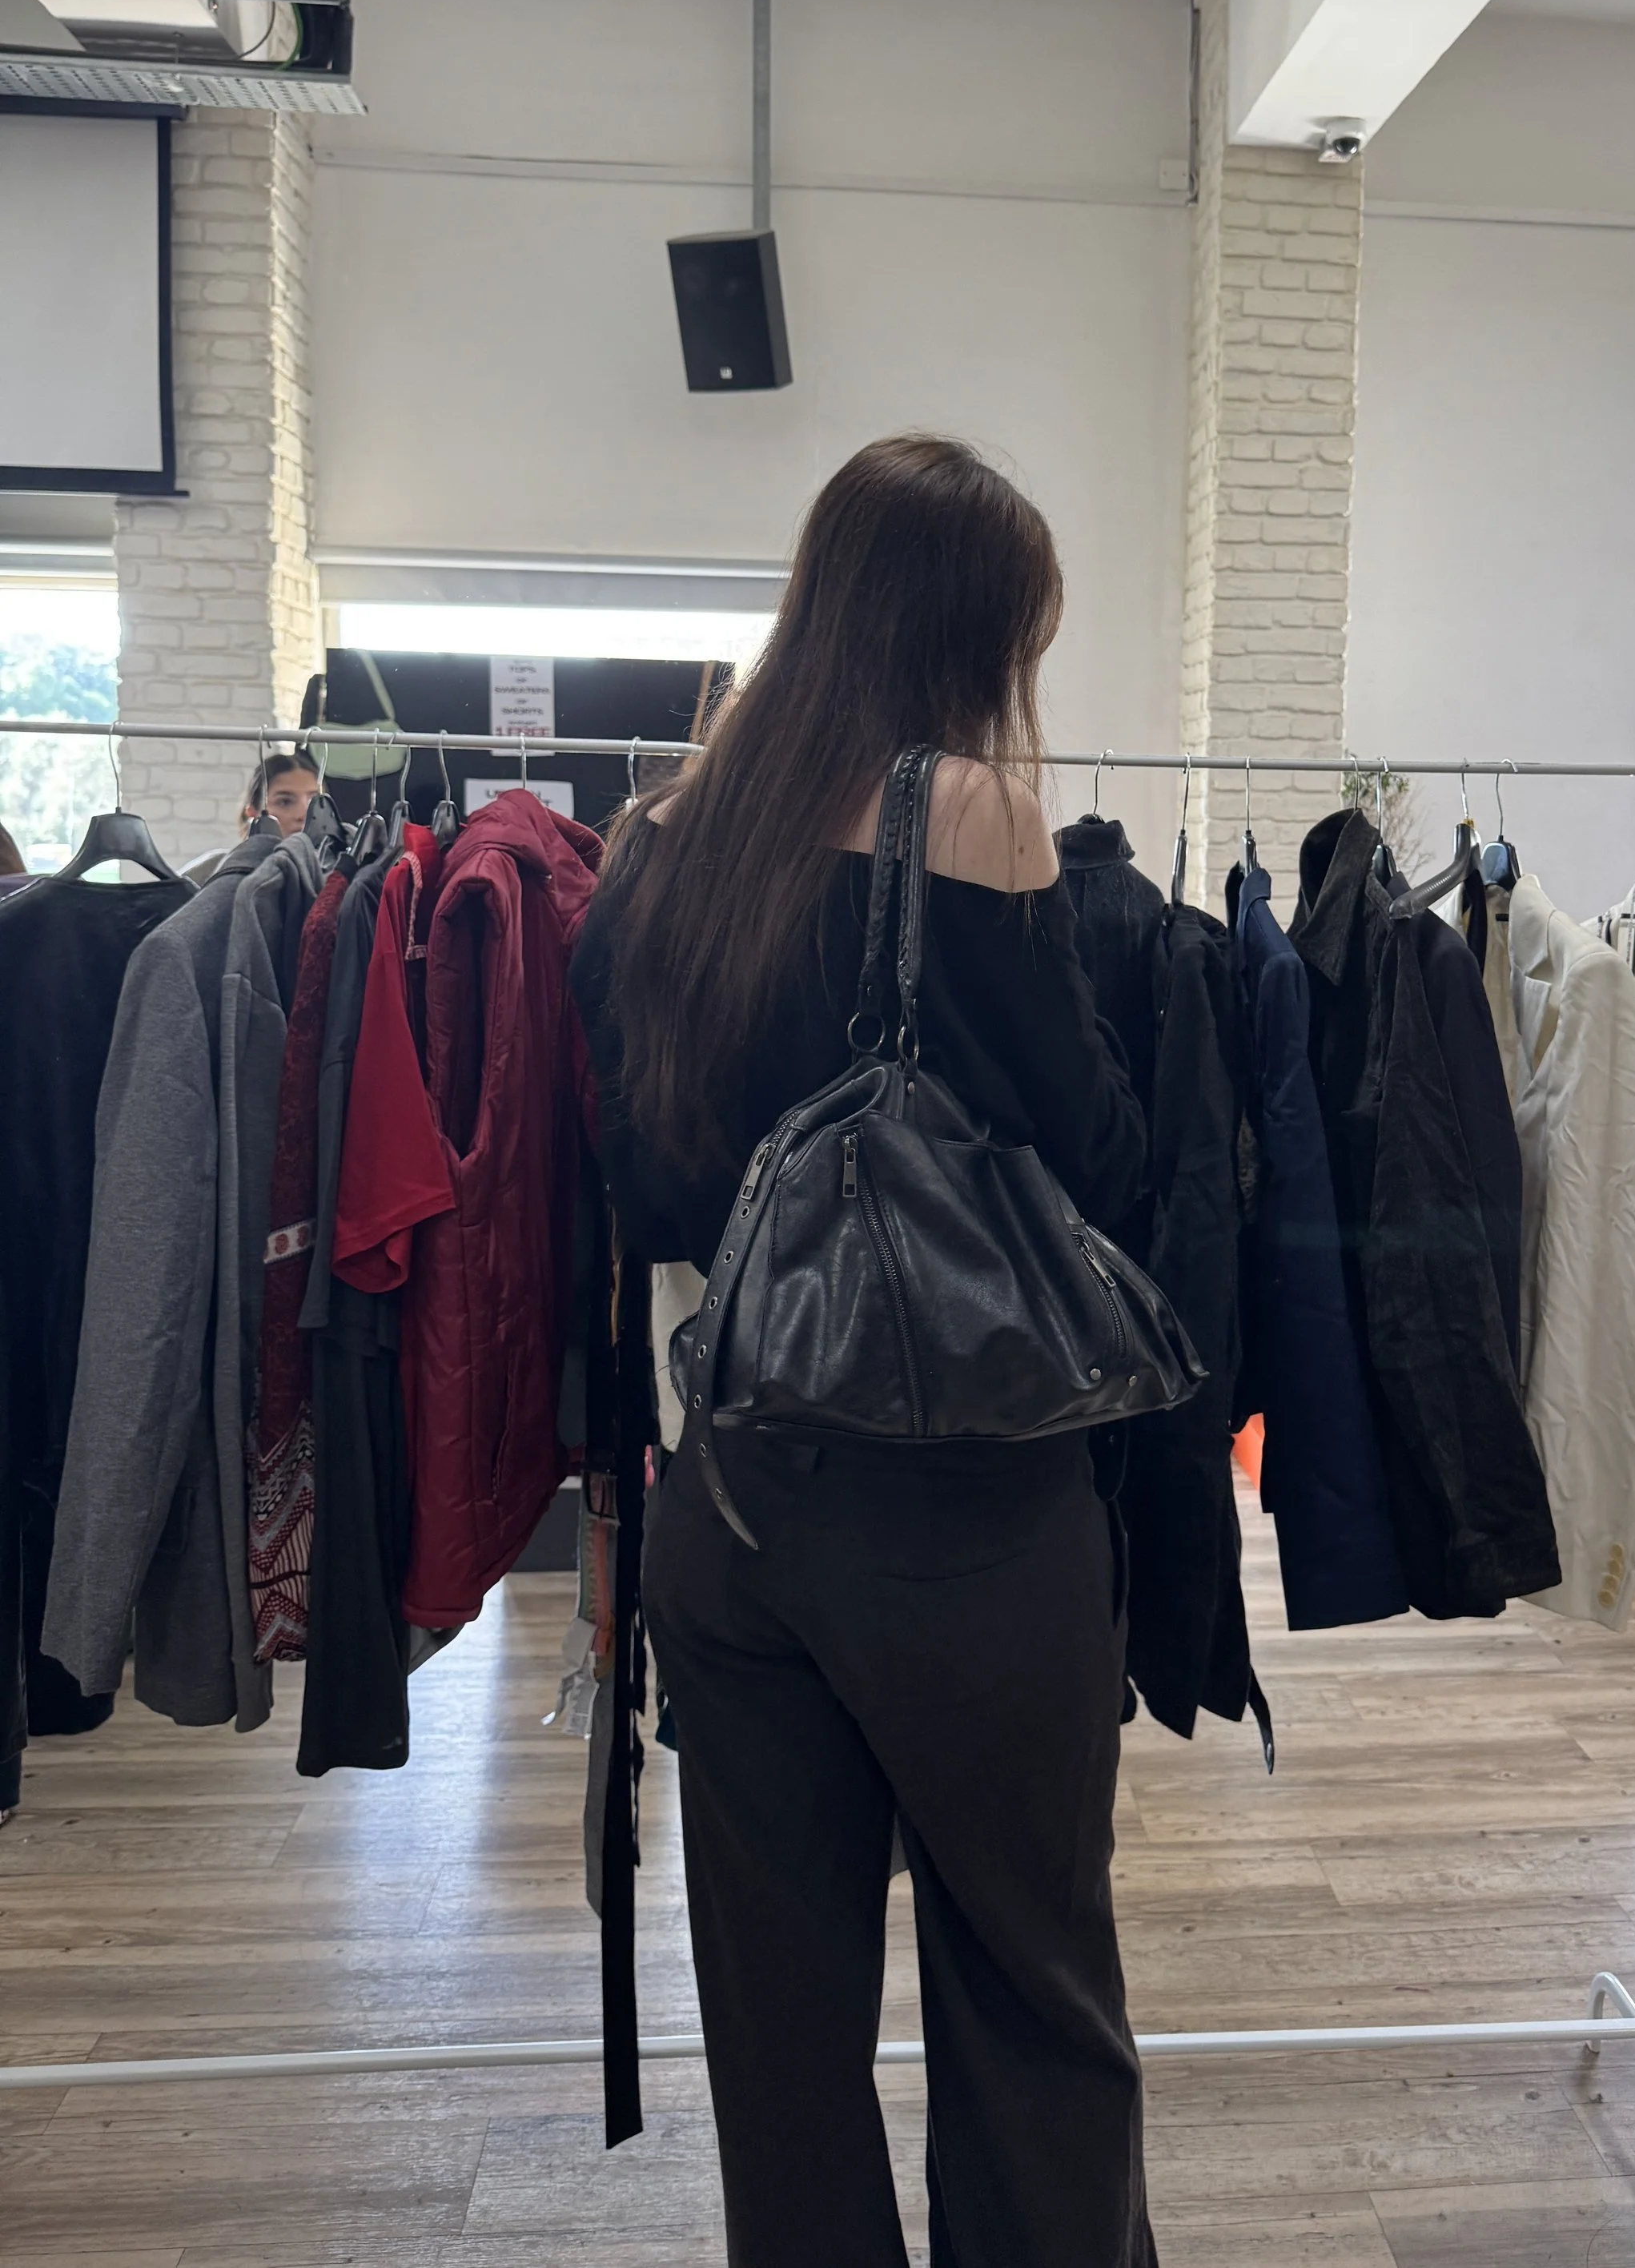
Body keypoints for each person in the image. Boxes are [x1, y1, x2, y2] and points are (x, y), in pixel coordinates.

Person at [574, 435, 1155, 2268]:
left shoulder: (664, 838)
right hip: (965, 1517)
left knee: (780, 2031)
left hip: (731, 1503)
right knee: (1030, 1990)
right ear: (966, 633)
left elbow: (642, 1192)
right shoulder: (969, 818)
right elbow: (1106, 1165)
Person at [185, 751, 320, 885]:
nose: (303, 815)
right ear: (252, 813)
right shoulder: (214, 868)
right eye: (285, 802)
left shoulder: (335, 872)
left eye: (314, 801)